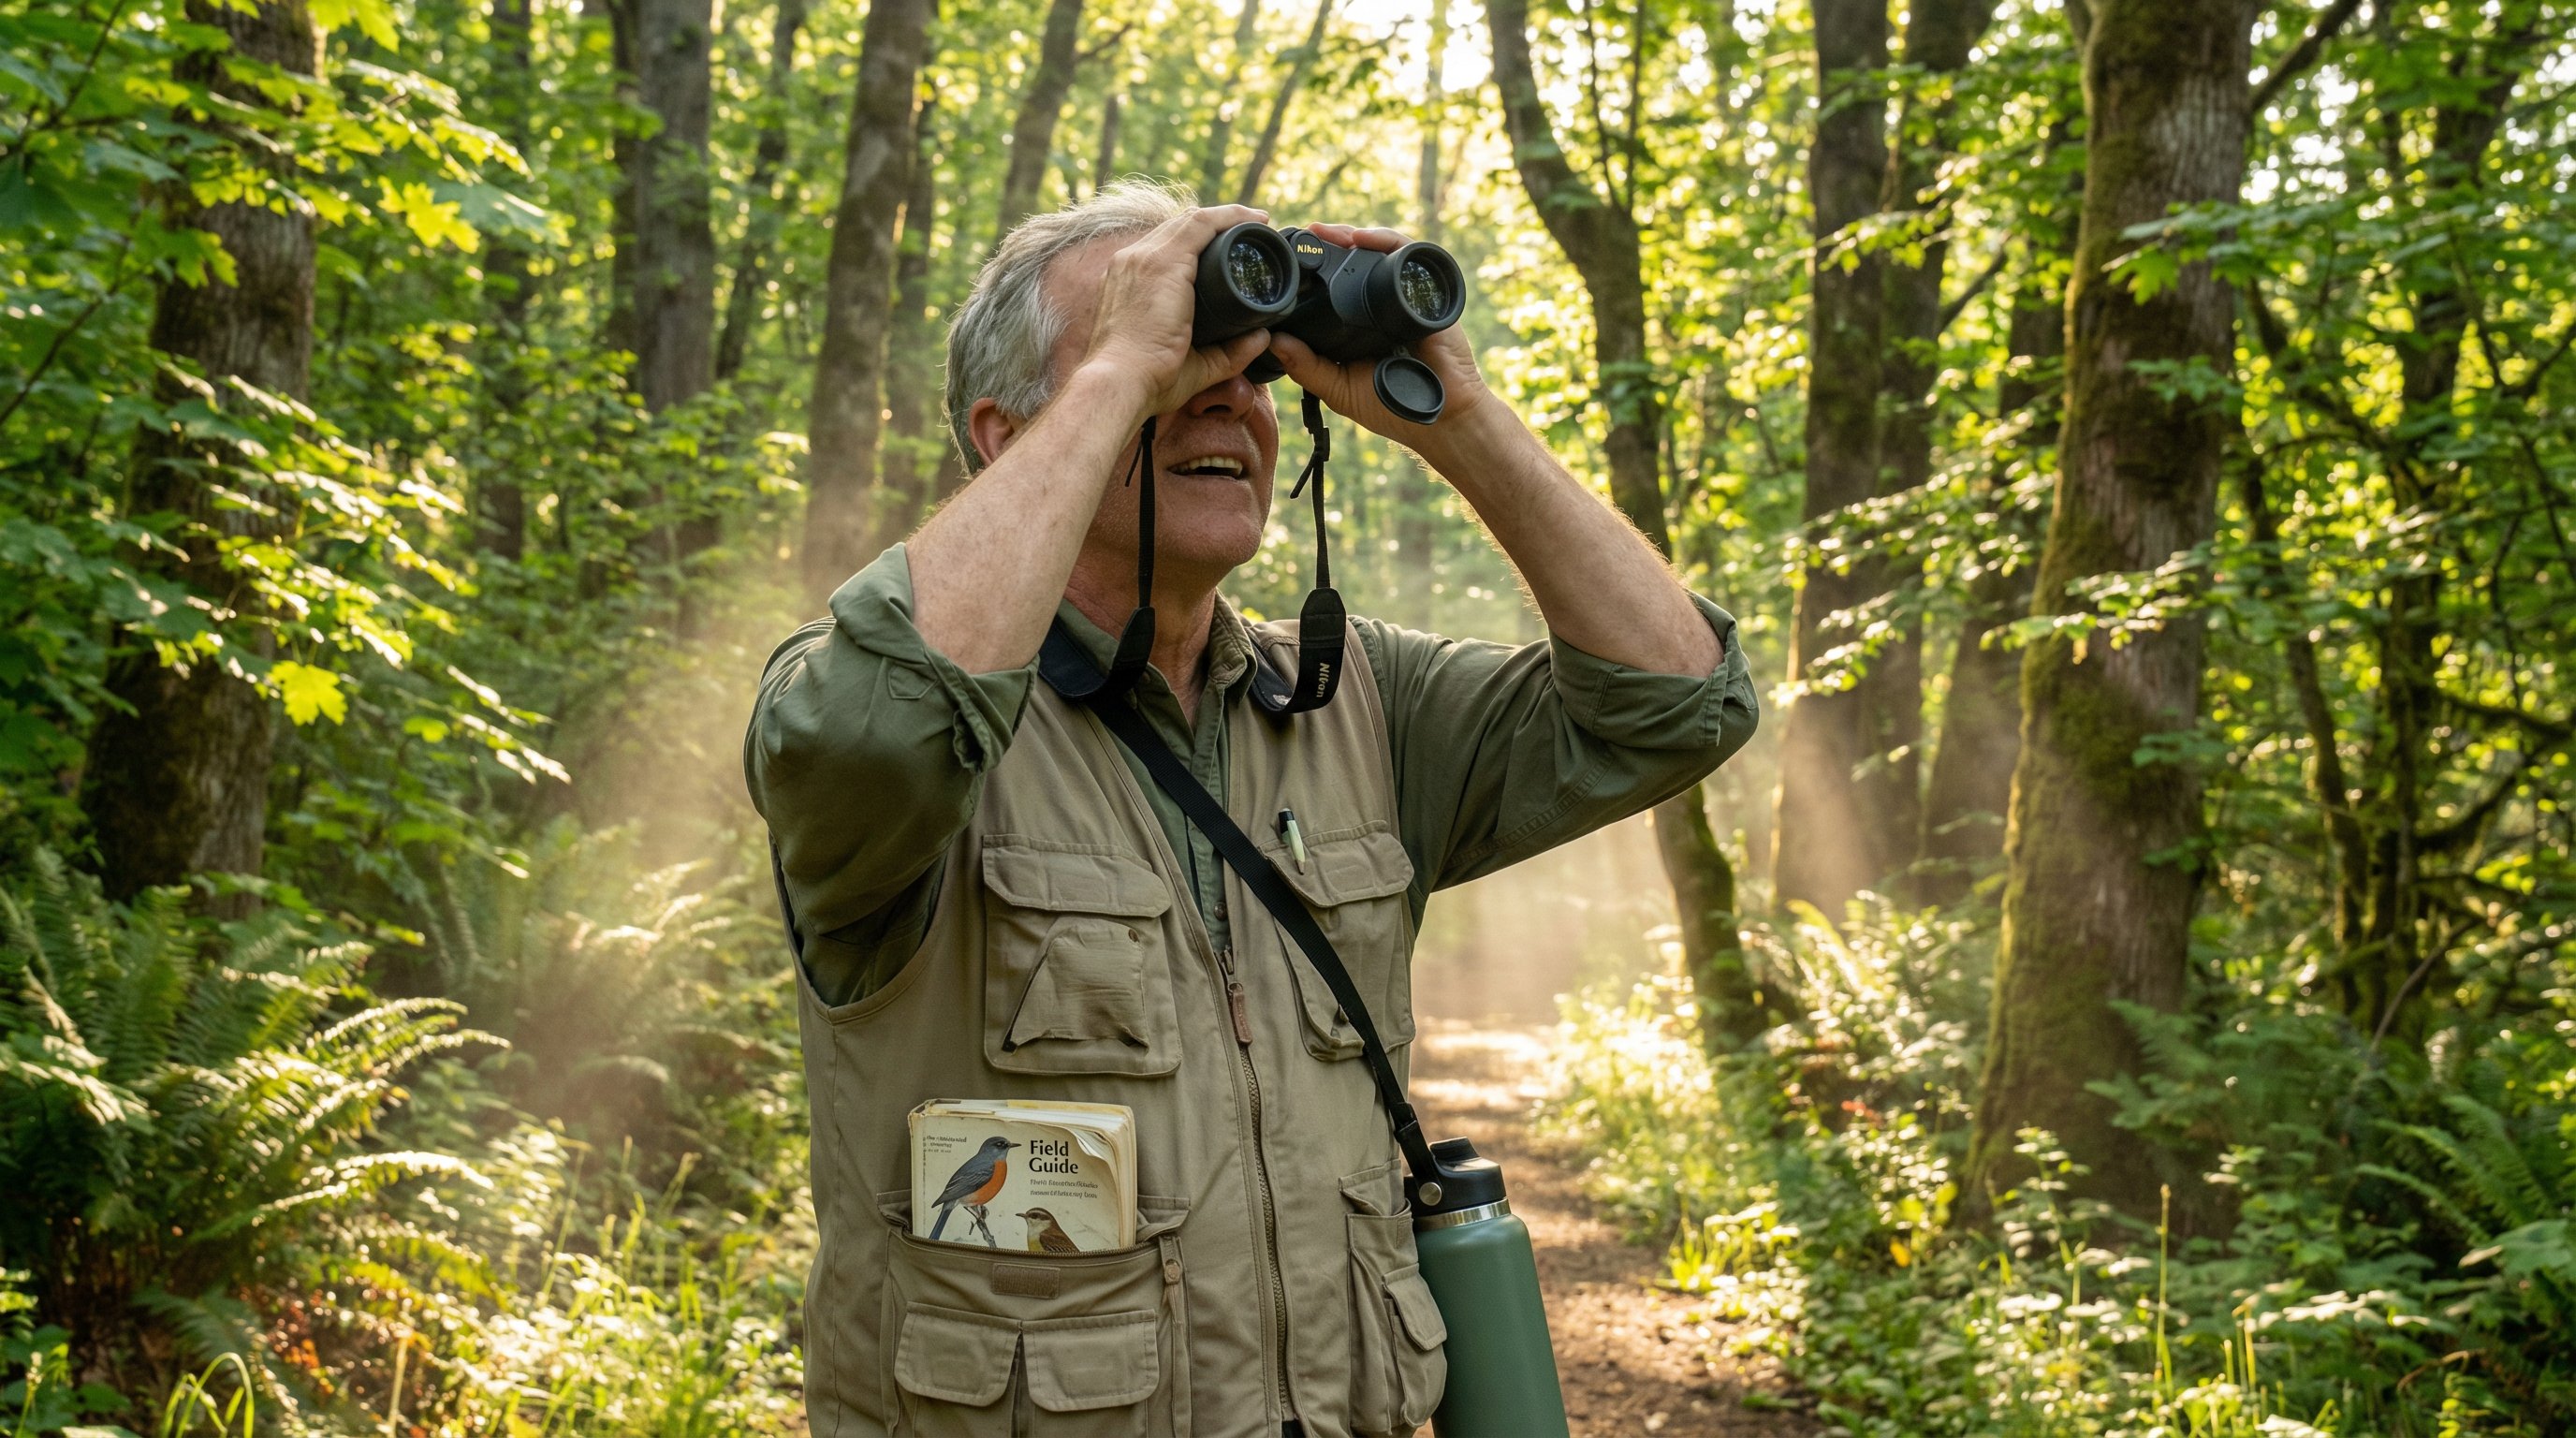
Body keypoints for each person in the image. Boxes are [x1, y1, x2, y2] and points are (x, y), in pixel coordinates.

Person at [745, 182, 1759, 1438]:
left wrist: (1461, 413)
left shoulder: (1356, 706)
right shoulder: (906, 735)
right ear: (1008, 437)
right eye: (1173, 356)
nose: (1226, 392)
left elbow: (1680, 702)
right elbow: (869, 727)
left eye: (1248, 371)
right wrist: (1129, 365)